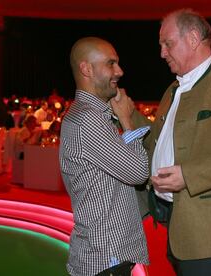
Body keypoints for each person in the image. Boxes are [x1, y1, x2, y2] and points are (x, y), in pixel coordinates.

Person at [120, 9, 211, 275]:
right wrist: (129, 114)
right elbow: (157, 141)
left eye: (168, 43)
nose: (162, 53)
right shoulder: (174, 89)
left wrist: (188, 175)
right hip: (180, 225)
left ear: (193, 38)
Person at [59, 37, 149, 275]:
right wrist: (127, 121)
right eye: (111, 64)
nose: (119, 71)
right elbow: (138, 172)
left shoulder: (91, 114)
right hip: (105, 256)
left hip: (102, 252)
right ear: (86, 69)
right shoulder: (89, 119)